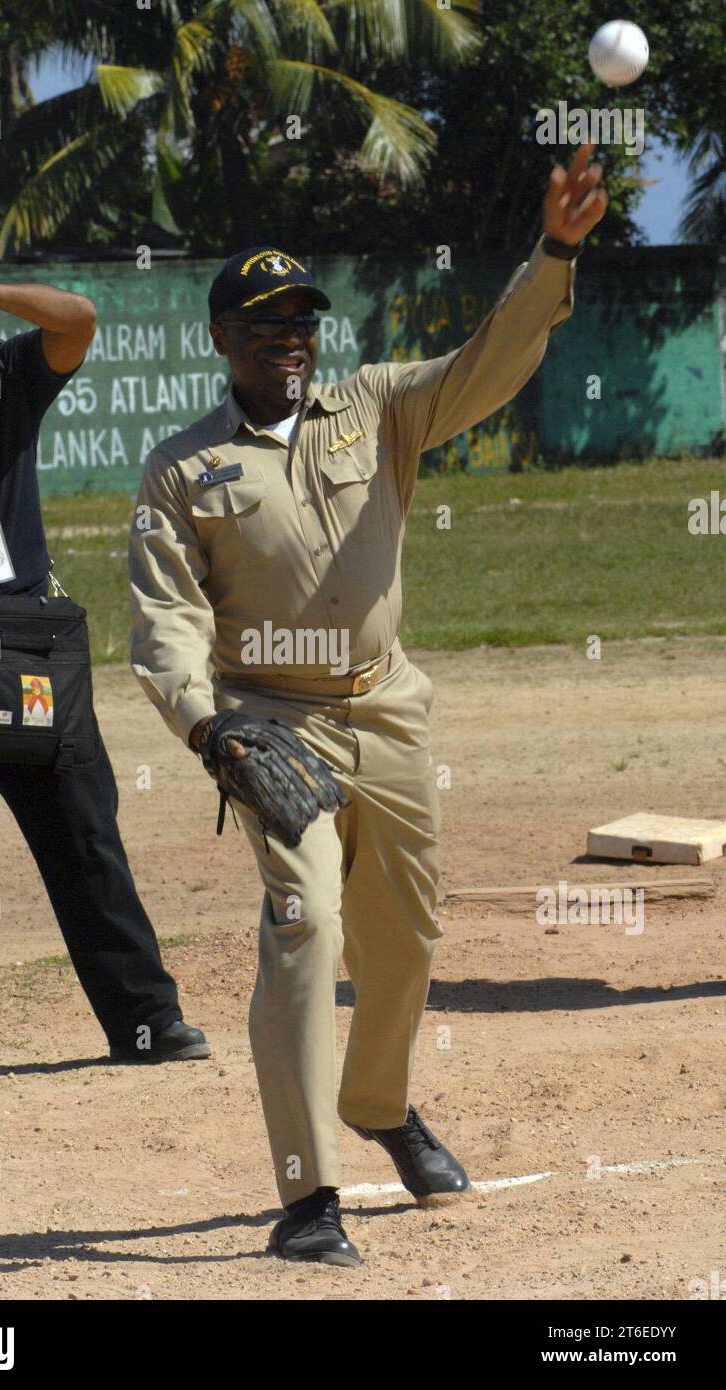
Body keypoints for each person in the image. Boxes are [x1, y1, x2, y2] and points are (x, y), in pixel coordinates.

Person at [129, 147, 607, 1265]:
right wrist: (209, 727)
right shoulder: (180, 469)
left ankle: (378, 1104)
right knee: (305, 928)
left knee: (403, 938)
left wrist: (553, 252)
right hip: (270, 723)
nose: (290, 338)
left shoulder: (375, 406)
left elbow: (489, 362)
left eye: (302, 320)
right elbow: (164, 622)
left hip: (384, 712)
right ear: (221, 340)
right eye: (265, 323)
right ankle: (307, 1197)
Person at [0, 209, 210, 1103]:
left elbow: (79, 317)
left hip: (22, 640)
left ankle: (145, 1018)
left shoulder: (16, 371)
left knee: (85, 834)